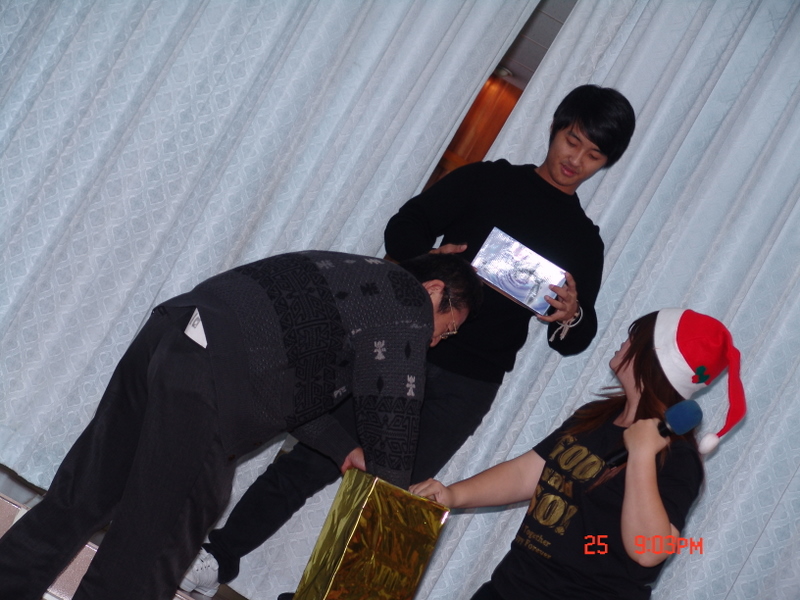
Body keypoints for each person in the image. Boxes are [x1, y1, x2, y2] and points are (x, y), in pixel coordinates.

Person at [180, 84, 636, 596]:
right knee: (313, 458)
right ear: (554, 128)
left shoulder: (584, 240)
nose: (575, 159)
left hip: (470, 382)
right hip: (398, 349)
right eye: (572, 140)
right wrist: (431, 258)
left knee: (392, 499)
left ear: (606, 162)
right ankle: (218, 557)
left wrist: (572, 314)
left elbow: (574, 340)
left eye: (593, 154)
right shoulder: (487, 180)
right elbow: (402, 227)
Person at [0, 250, 482, 600]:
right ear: (434, 291)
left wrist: (341, 448)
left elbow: (288, 386)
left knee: (83, 495)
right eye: (449, 328)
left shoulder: (357, 279)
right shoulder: (404, 302)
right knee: (156, 544)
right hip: (208, 378)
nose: (435, 342)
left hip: (171, 334)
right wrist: (392, 508)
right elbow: (394, 415)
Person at [410, 308, 747, 599]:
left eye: (635, 337)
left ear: (654, 357)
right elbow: (528, 473)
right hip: (511, 586)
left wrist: (642, 456)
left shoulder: (677, 457)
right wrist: (452, 495)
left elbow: (649, 552)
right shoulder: (596, 416)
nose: (625, 341)